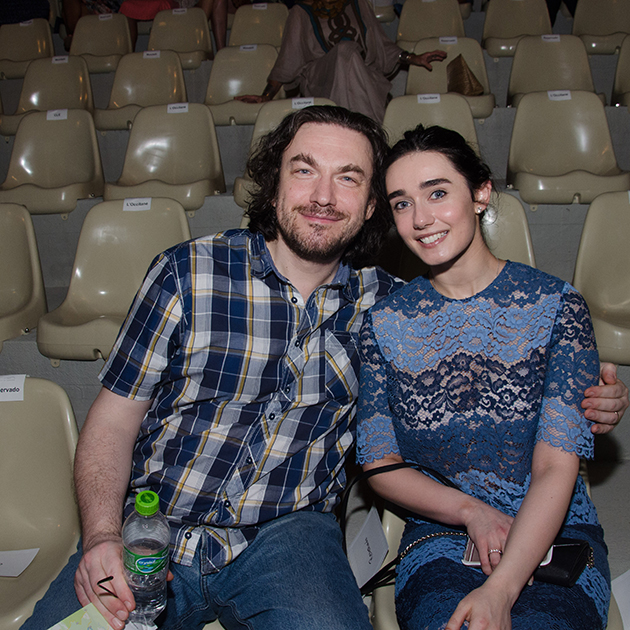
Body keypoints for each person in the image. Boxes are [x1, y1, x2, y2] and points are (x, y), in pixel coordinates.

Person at [21, 108, 627, 630]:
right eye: (305, 169)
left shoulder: (384, 306)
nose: (323, 196)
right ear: (274, 184)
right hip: (155, 528)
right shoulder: (187, 274)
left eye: (349, 178)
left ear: (369, 208)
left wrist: (585, 397)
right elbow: (111, 424)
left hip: (289, 538)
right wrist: (102, 536)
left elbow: (485, 356)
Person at [356, 124, 613, 630]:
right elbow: (380, 464)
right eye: (402, 203)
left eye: (437, 193)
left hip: (555, 532)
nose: (420, 219)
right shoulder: (384, 325)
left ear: (480, 194)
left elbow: (554, 468)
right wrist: (471, 512)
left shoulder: (557, 306)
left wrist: (500, 588)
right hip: (443, 535)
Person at [236, 0, 447, 122]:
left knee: (350, 56)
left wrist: (413, 58)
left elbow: (382, 44)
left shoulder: (358, 4)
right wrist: (266, 95)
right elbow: (288, 59)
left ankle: (360, 131)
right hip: (321, 78)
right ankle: (371, 130)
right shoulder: (300, 12)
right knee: (345, 51)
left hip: (362, 74)